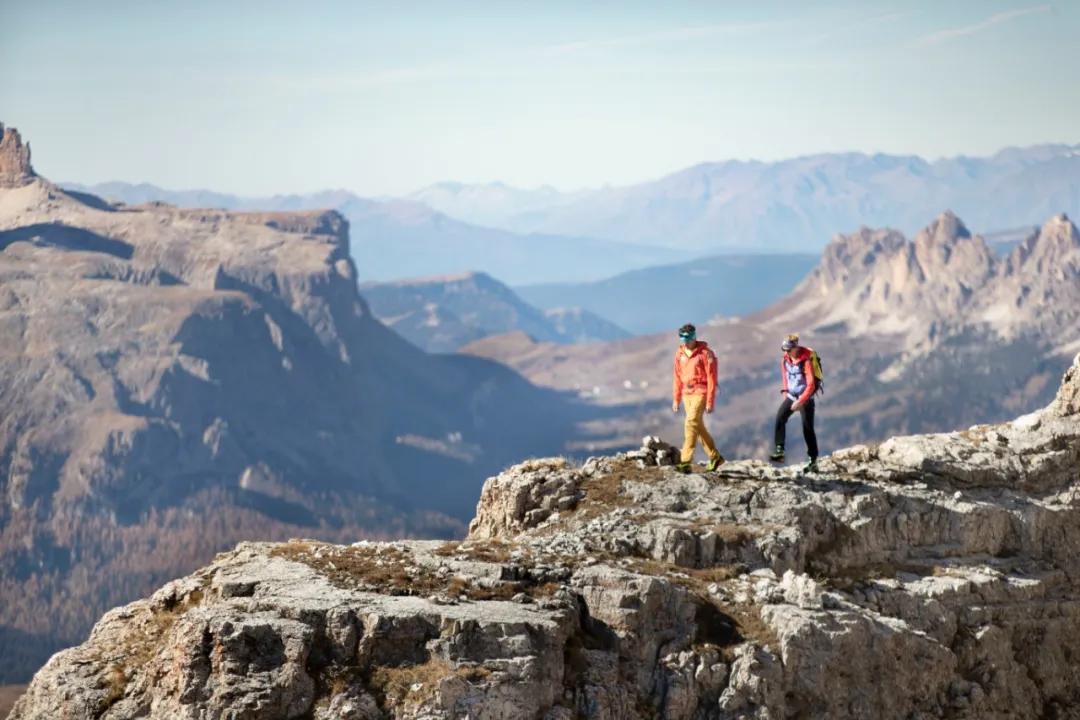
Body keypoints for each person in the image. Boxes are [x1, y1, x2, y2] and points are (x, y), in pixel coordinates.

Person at [671, 323, 725, 473]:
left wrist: (710, 401)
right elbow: (677, 376)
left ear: (694, 337)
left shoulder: (706, 354)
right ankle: (715, 457)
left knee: (690, 423)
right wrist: (676, 398)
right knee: (698, 427)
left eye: (688, 338)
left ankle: (685, 461)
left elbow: (712, 378)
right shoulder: (679, 354)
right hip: (686, 394)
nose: (685, 342)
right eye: (682, 339)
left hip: (701, 391)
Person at [769, 333, 819, 472]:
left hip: (805, 397)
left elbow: (811, 385)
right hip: (791, 396)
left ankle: (813, 460)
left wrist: (800, 401)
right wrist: (786, 395)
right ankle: (780, 450)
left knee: (807, 428)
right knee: (780, 418)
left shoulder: (806, 361)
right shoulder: (785, 360)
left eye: (789, 349)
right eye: (784, 349)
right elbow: (785, 378)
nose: (786, 352)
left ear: (795, 348)